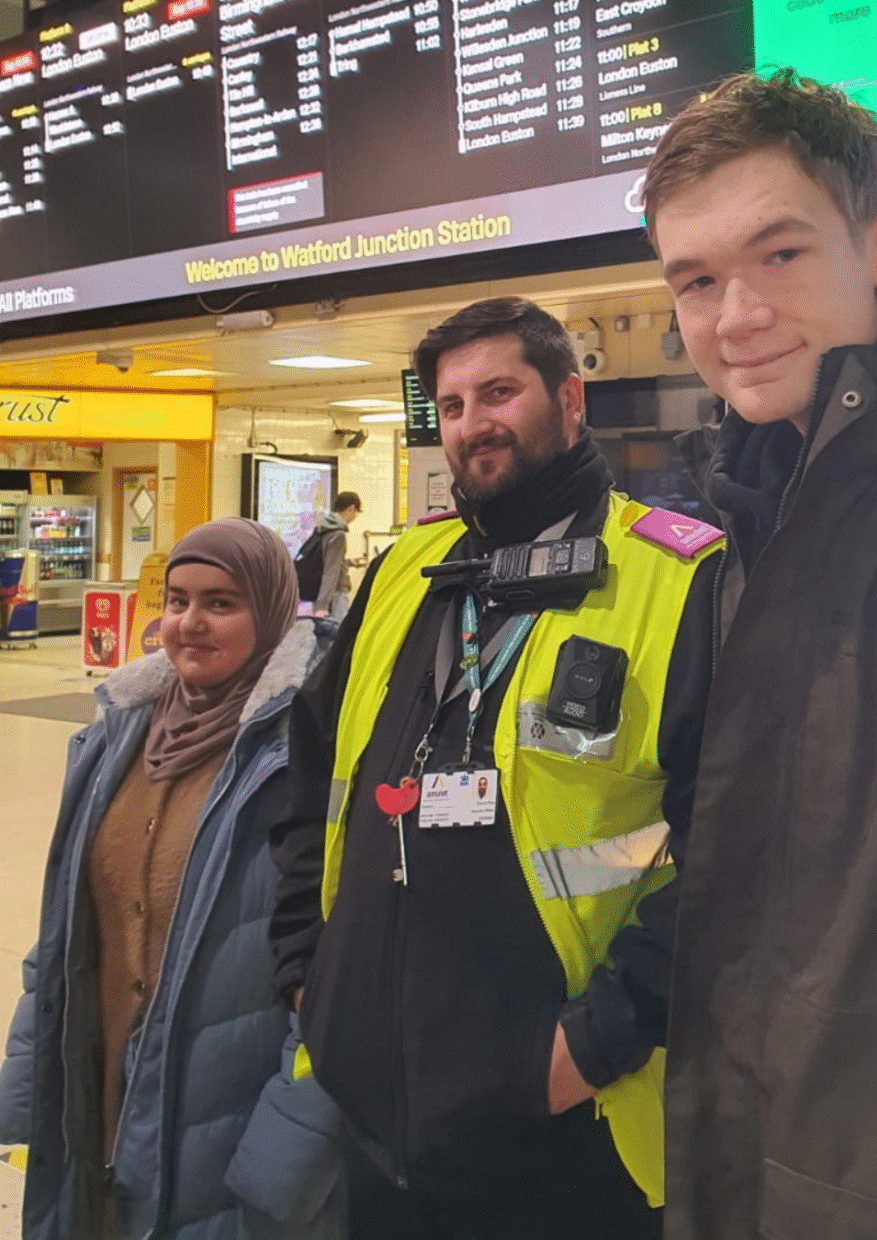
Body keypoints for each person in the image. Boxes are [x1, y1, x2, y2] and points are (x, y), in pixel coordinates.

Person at [269, 296, 724, 1239]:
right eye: (454, 403)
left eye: (499, 392)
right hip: (375, 1106)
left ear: (569, 398)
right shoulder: (409, 570)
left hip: (562, 1119)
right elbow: (313, 778)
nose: (474, 423)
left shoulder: (680, 579)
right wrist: (308, 976)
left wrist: (590, 1045)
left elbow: (738, 850)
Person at [642, 69, 877, 1240]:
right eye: (694, 279)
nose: (732, 315)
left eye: (778, 255)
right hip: (762, 1160)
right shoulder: (739, 512)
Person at [0, 518, 343, 1240]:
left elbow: (344, 974)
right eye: (177, 599)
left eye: (221, 603)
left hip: (230, 1137)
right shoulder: (113, 737)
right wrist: (29, 1083)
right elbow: (63, 937)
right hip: (99, 1122)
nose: (189, 623)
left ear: (273, 613)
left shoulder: (304, 756)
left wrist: (290, 1150)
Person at [314, 490, 362, 622]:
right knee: (338, 634)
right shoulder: (338, 535)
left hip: (323, 592)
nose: (355, 516)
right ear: (351, 508)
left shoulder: (324, 528)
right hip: (335, 594)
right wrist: (321, 605)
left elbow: (327, 561)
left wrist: (349, 562)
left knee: (324, 635)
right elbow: (331, 570)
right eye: (356, 512)